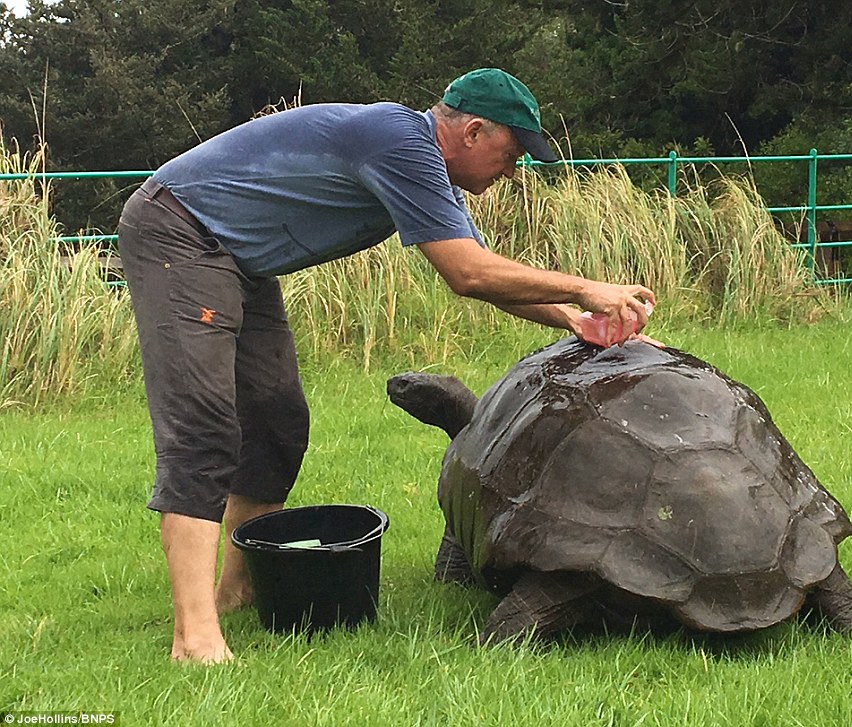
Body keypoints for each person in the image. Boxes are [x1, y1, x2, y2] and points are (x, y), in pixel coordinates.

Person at [117, 67, 657, 664]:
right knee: (206, 429)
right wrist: (586, 289)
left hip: (242, 260)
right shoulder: (400, 142)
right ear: (473, 131)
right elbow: (468, 271)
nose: (514, 169)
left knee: (274, 419)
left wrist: (575, 323)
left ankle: (239, 587)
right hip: (181, 232)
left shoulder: (428, 171)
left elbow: (481, 275)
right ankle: (194, 639)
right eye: (512, 153)